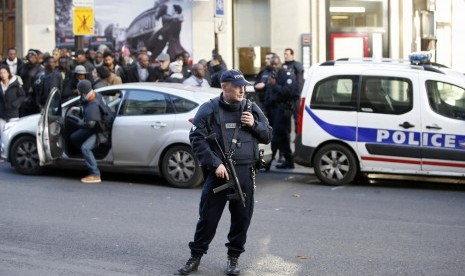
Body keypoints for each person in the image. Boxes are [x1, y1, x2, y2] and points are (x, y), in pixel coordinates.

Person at [177, 69, 272, 275]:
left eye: (243, 86)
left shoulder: (250, 108)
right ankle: (195, 257)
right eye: (237, 86)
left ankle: (233, 259)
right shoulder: (209, 109)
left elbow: (268, 135)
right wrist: (215, 163)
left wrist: (254, 124)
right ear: (224, 87)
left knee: (241, 218)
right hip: (219, 173)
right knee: (208, 218)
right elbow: (197, 139)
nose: (241, 90)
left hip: (245, 172)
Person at [264, 55, 298, 169]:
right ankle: (288, 160)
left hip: (283, 110)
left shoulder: (287, 75)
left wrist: (275, 85)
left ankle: (268, 161)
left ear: (280, 63)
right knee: (282, 137)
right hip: (273, 110)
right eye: (272, 64)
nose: (274, 66)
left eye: (276, 64)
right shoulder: (273, 75)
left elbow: (289, 92)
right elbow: (269, 93)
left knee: (277, 136)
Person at [70, 79, 105, 183]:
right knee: (74, 137)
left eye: (78, 90)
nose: (77, 92)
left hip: (101, 131)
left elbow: (90, 124)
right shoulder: (95, 95)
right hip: (96, 127)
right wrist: (79, 110)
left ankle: (95, 174)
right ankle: (89, 158)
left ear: (82, 91)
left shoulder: (92, 105)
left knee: (85, 148)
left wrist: (78, 122)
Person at [0, 65, 25, 140]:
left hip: (13, 113)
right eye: (0, 73)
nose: (2, 75)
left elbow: (22, 96)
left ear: (8, 73)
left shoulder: (15, 84)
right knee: (2, 134)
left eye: (4, 72)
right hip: (2, 114)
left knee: (12, 134)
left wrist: (15, 104)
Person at [283, 48, 304, 134]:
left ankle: (298, 137)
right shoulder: (283, 66)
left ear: (292, 55)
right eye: (284, 54)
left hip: (295, 97)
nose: (285, 56)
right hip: (286, 98)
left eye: (287, 54)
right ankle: (286, 139)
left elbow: (300, 81)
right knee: (285, 120)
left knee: (297, 118)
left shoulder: (297, 65)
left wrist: (299, 95)